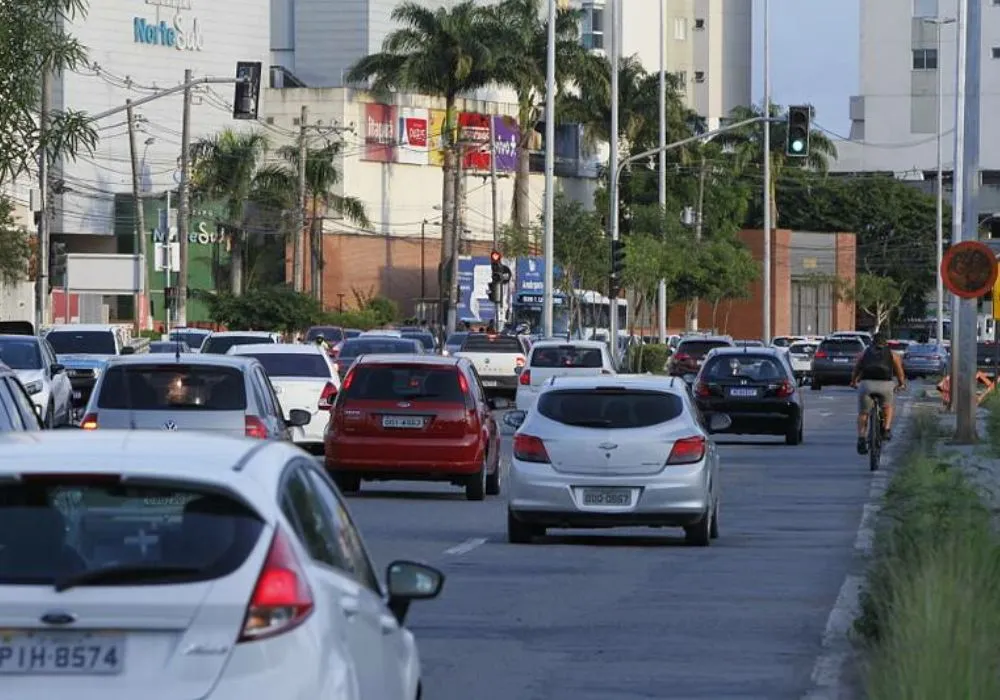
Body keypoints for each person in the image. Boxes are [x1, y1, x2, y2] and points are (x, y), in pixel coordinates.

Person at [850, 330, 907, 455]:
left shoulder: (865, 353)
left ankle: (861, 437)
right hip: (885, 385)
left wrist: (854, 382)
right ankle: (886, 429)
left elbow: (857, 369)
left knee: (863, 413)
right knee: (888, 406)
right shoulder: (893, 354)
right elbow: (899, 372)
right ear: (886, 343)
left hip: (867, 384)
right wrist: (901, 384)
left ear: (872, 343)